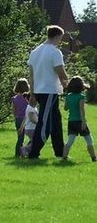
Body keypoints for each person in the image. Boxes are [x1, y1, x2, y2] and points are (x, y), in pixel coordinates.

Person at [27, 25, 69, 159]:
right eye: (60, 38)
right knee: (44, 124)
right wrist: (68, 87)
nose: (60, 41)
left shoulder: (35, 52)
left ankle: (60, 153)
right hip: (49, 91)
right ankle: (33, 152)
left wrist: (32, 93)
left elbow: (31, 76)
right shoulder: (55, 52)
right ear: (57, 36)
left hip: (39, 90)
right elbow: (61, 73)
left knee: (56, 122)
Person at [62, 76, 96, 162]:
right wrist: (83, 122)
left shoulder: (68, 96)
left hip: (71, 121)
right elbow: (82, 110)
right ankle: (94, 158)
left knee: (70, 140)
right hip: (79, 121)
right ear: (81, 86)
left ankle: (64, 157)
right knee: (89, 140)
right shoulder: (81, 96)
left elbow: (65, 108)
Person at [11, 78, 30, 157]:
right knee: (33, 136)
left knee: (20, 137)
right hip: (28, 118)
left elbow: (13, 111)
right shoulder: (27, 98)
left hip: (18, 119)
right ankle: (23, 151)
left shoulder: (14, 99)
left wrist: (16, 116)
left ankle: (19, 152)